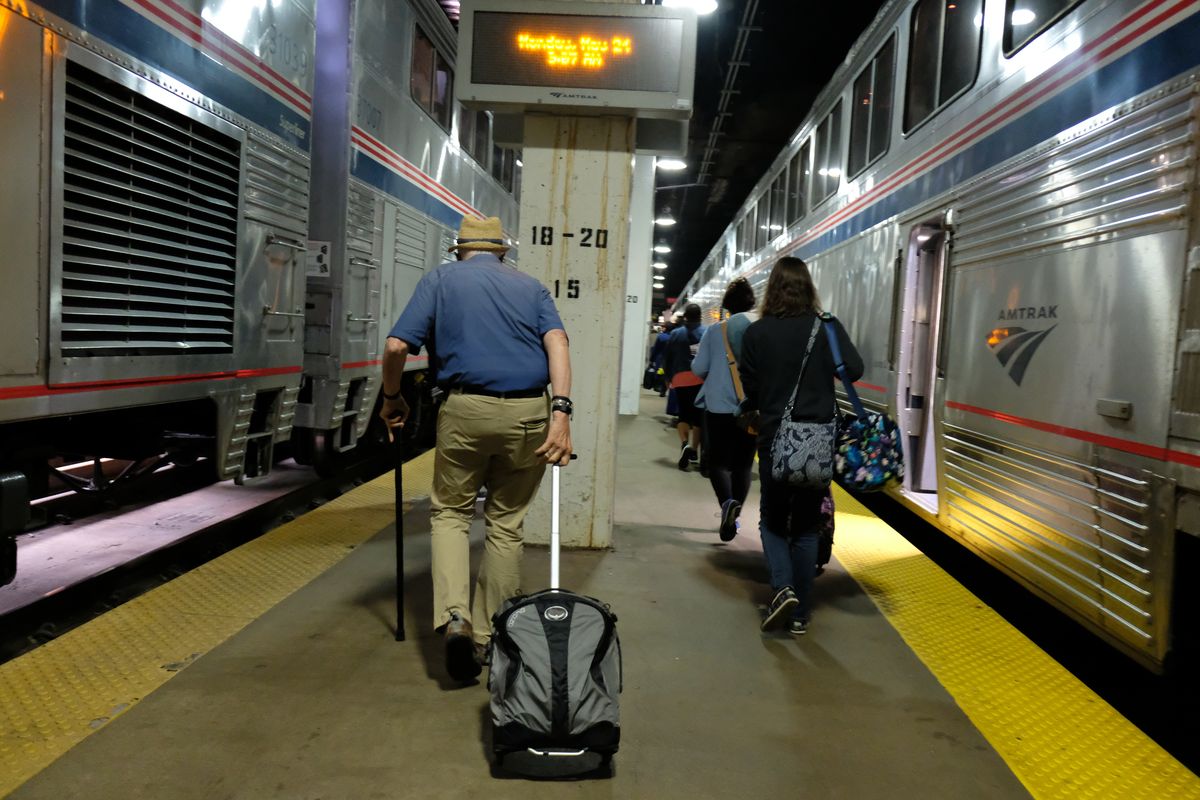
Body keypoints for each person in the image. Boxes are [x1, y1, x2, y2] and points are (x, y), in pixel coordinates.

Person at [379, 216, 573, 682]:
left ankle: (455, 619)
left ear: (458, 250)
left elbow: (395, 345)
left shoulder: (441, 280)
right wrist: (561, 413)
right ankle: (490, 636)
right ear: (503, 251)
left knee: (450, 514)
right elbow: (558, 342)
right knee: (505, 524)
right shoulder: (531, 287)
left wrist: (391, 398)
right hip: (529, 413)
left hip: (465, 410)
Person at [738, 257, 862, 636]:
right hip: (818, 441)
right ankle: (800, 615)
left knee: (772, 520)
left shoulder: (757, 334)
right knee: (807, 527)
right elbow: (853, 370)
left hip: (775, 438)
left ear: (772, 289)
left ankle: (783, 589)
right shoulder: (826, 327)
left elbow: (752, 390)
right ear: (808, 288)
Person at [691, 278, 758, 541]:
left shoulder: (716, 331)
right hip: (750, 408)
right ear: (752, 302)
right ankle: (735, 516)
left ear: (727, 306)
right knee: (743, 466)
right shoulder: (760, 329)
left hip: (718, 407)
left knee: (718, 463)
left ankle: (727, 504)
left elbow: (698, 368)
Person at [663, 303, 706, 471]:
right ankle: (694, 449)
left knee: (683, 414)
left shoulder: (675, 333)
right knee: (697, 416)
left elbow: (667, 358)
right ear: (700, 316)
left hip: (679, 379)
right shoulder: (705, 333)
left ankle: (684, 444)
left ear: (685, 316)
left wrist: (667, 378)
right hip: (699, 379)